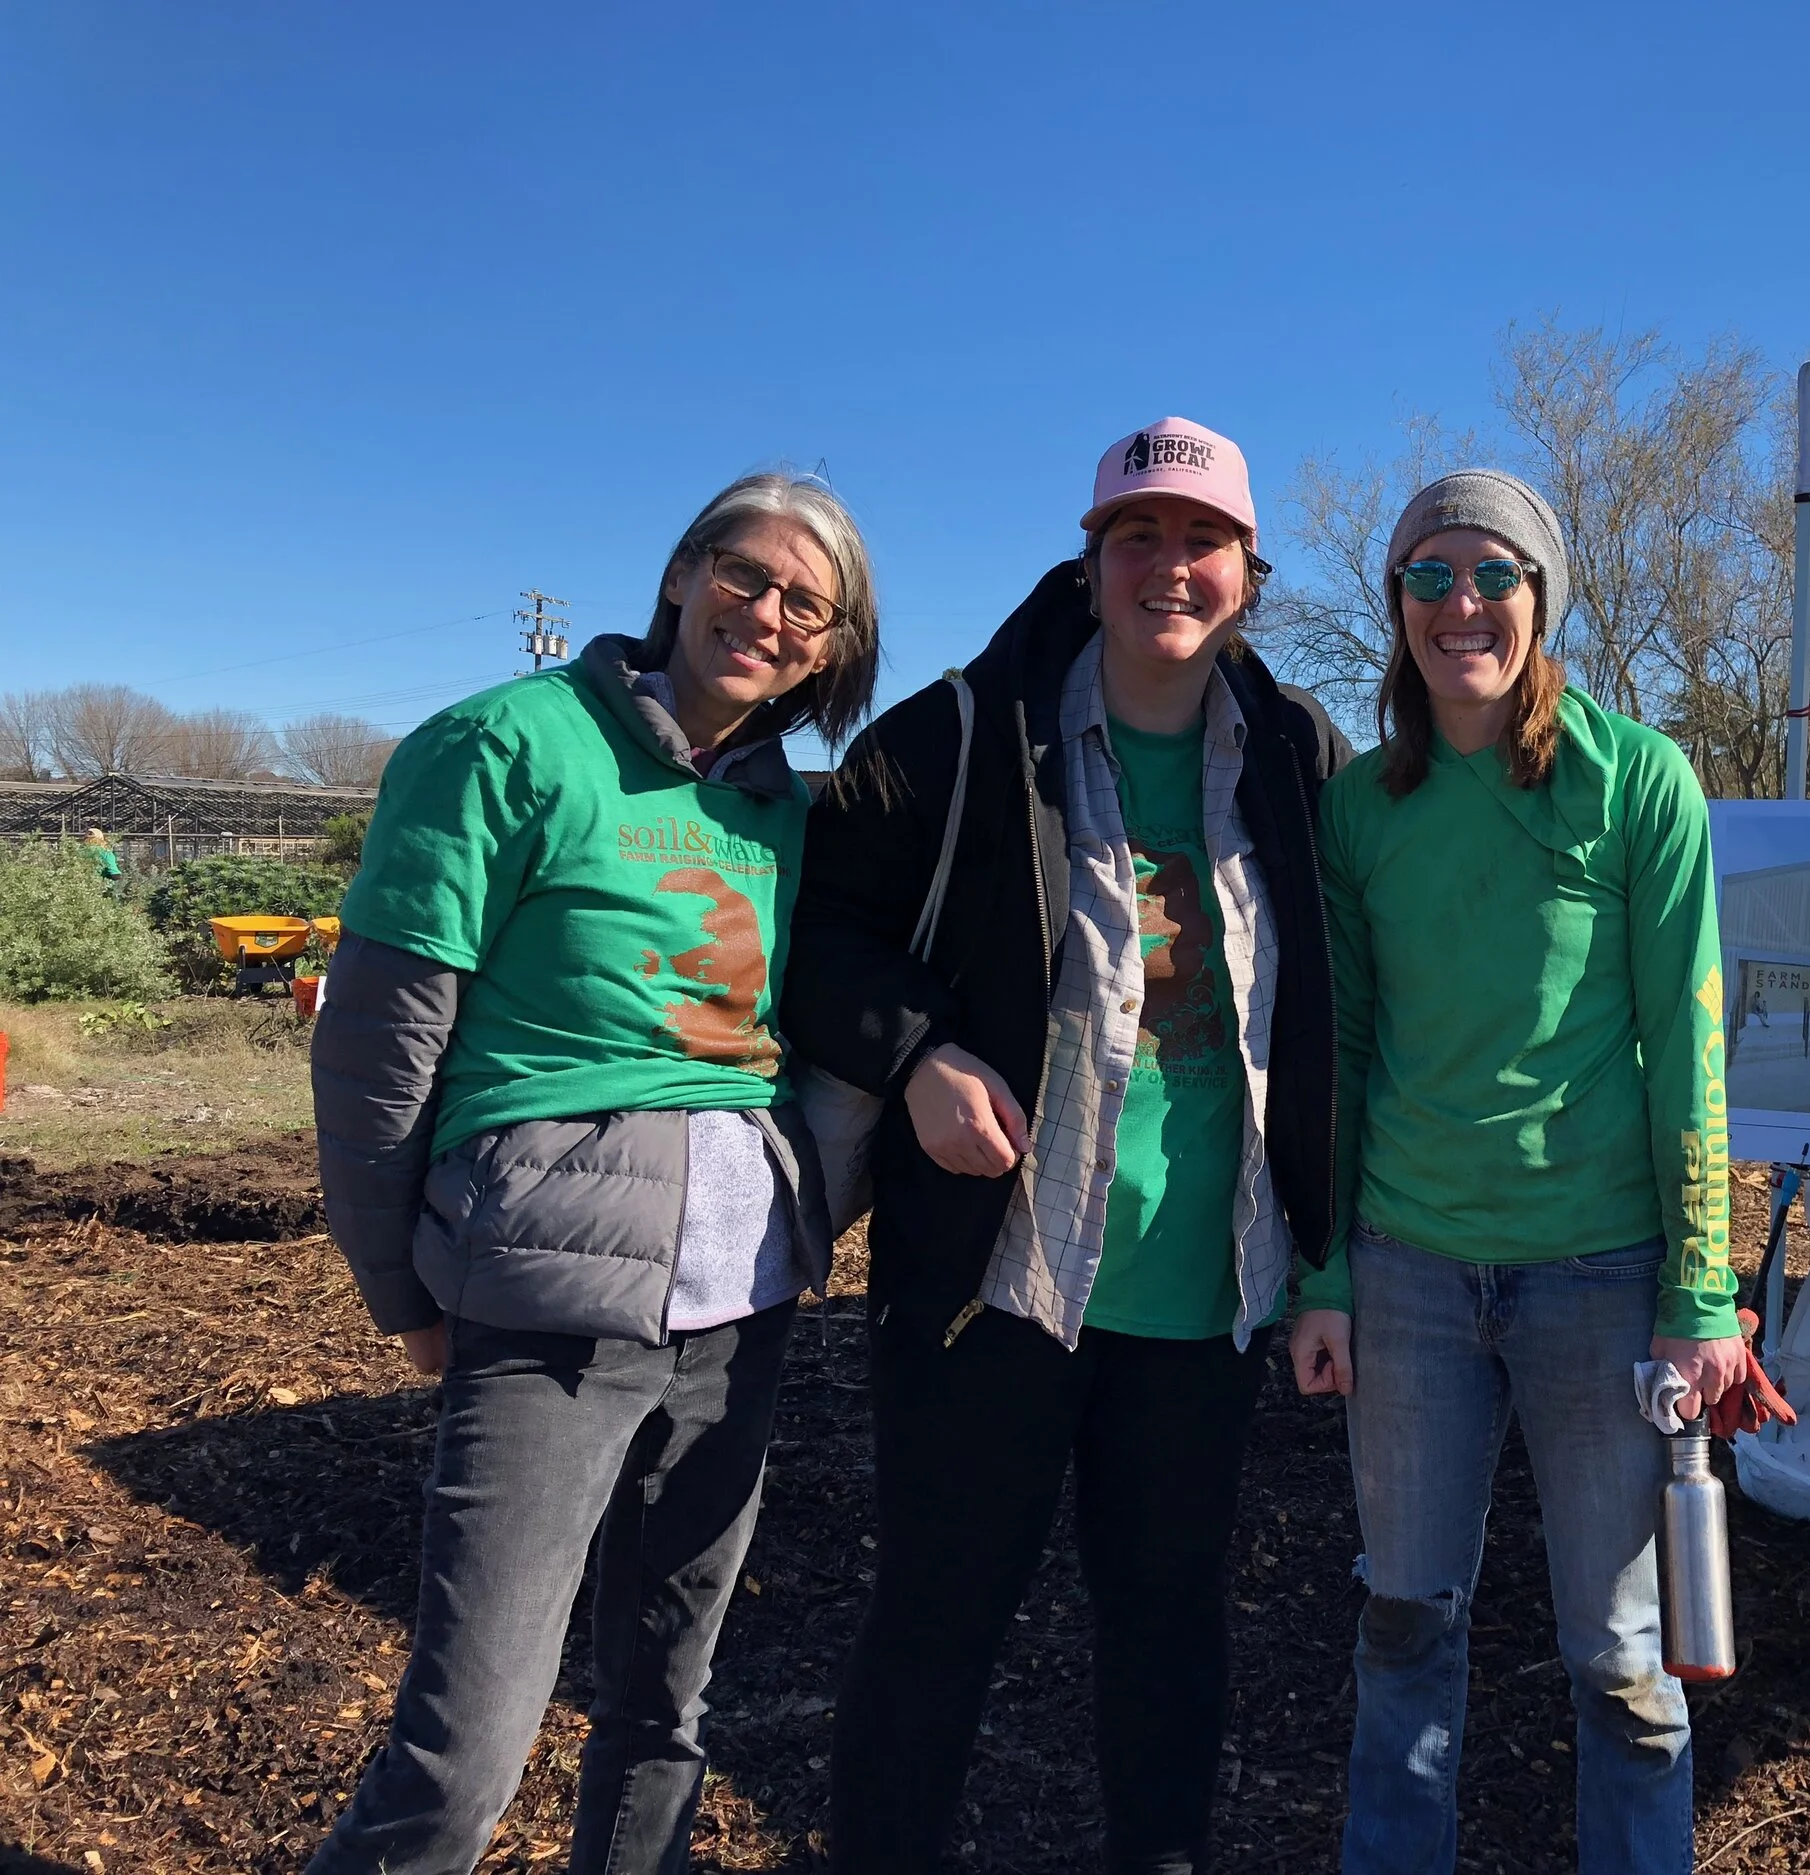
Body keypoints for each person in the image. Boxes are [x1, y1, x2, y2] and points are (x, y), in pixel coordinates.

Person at [779, 417, 1350, 1874]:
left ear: (1250, 575)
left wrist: (1330, 1253)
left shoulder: (1296, 756)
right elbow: (816, 934)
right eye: (1138, 538)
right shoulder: (960, 738)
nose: (1171, 566)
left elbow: (1358, 993)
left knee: (1170, 1632)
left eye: (1203, 541)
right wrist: (914, 1051)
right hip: (995, 1282)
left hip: (1201, 1294)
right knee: (936, 1625)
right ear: (1089, 562)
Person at [306, 472, 878, 1875]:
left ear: (829, 648)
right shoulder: (504, 745)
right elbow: (379, 1043)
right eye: (747, 573)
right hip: (550, 1294)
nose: (768, 612)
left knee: (664, 1712)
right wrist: (397, 1281)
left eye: (809, 603)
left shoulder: (782, 813)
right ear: (681, 573)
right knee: (464, 1754)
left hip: (742, 1303)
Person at [1289, 469, 1747, 1875]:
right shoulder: (1362, 806)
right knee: (1405, 1623)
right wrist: (1324, 1273)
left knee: (1625, 1658)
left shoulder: (1639, 781)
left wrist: (1704, 1285)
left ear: (1543, 598)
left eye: (1492, 573)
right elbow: (1342, 1046)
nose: (1461, 604)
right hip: (1410, 1267)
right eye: (1429, 576)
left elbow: (1689, 1042)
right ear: (1397, 607)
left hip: (1602, 1277)